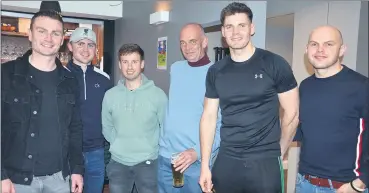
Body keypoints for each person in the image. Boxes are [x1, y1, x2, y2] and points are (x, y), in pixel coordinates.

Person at [198, 2, 299, 193]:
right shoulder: (215, 71)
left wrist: (278, 150)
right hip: (227, 159)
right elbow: (208, 117)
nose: (235, 32)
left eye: (241, 25)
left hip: (264, 161)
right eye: (230, 26)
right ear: (223, 32)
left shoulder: (275, 64)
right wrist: (204, 166)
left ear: (252, 28)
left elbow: (292, 113)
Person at [1, 2, 84, 193]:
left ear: (62, 39)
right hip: (16, 181)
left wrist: (77, 169)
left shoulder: (70, 80)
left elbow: (75, 129)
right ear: (30, 34)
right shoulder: (5, 75)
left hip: (59, 179)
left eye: (55, 33)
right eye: (41, 31)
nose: (49, 38)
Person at [293, 25, 369, 193]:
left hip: (344, 187)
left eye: (329, 44)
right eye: (314, 44)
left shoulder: (362, 86)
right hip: (304, 183)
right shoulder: (305, 86)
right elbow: (301, 131)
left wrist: (360, 183)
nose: (320, 50)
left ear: (342, 50)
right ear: (306, 49)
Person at [158, 23, 221, 193]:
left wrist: (197, 152)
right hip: (166, 157)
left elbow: (221, 124)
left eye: (193, 41)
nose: (187, 47)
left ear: (204, 42)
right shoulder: (176, 69)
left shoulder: (218, 74)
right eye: (183, 42)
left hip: (195, 162)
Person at [102, 43, 167, 193]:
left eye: (134, 61)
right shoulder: (110, 95)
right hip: (118, 163)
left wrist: (149, 147)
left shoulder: (158, 95)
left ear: (142, 64)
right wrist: (119, 143)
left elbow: (165, 128)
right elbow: (106, 126)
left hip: (148, 164)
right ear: (119, 64)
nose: (129, 66)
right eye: (125, 62)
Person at [66, 27, 112, 193]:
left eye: (90, 45)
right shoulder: (60, 76)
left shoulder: (104, 79)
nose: (86, 49)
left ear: (96, 49)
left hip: (96, 152)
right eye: (80, 44)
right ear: (70, 46)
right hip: (67, 153)